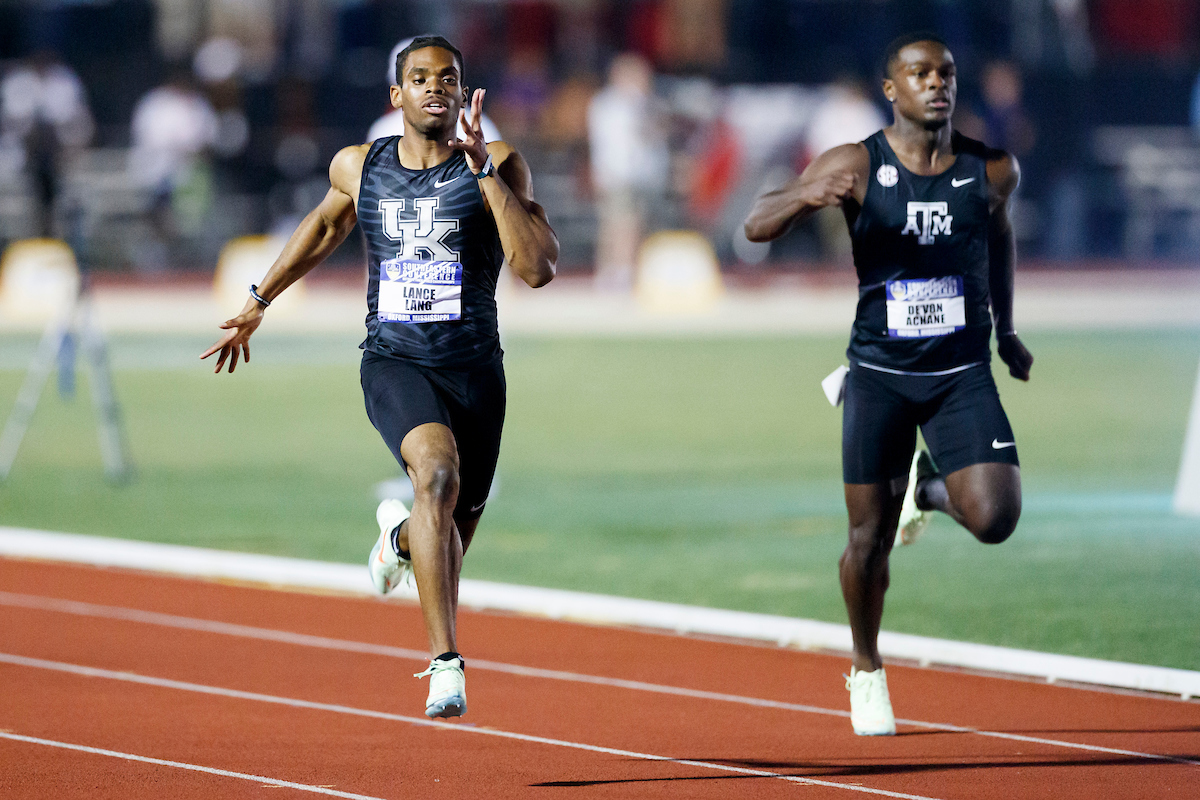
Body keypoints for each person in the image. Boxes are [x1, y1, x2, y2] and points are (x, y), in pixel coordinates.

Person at [202, 36, 558, 719]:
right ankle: (445, 664)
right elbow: (323, 228)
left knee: (449, 533)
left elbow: (536, 268)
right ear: (396, 96)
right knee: (437, 478)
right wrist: (258, 299)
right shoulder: (360, 166)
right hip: (395, 360)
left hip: (477, 371)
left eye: (447, 78)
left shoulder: (501, 164)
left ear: (462, 94)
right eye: (419, 78)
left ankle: (397, 539)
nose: (434, 87)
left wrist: (484, 169)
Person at [743, 32, 1033, 737]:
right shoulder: (855, 162)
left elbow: (997, 241)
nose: (937, 84)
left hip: (962, 373)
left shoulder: (991, 170)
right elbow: (755, 225)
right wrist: (809, 194)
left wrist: (1006, 331)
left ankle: (927, 486)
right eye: (919, 74)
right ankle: (866, 668)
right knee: (866, 540)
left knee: (996, 517)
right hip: (879, 375)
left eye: (947, 73)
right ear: (891, 89)